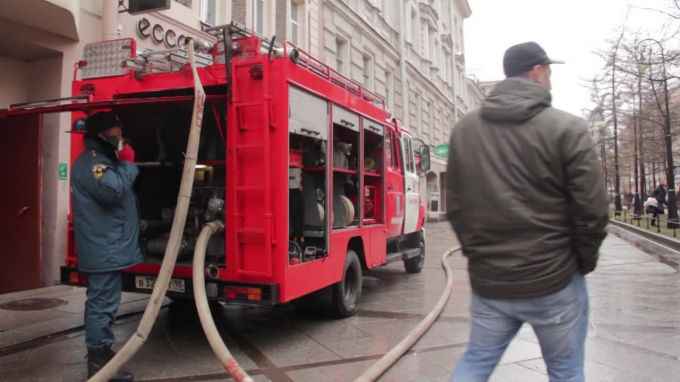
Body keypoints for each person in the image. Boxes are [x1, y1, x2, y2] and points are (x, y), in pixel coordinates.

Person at [445, 42, 609, 382]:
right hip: (555, 279)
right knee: (565, 372)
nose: (549, 80)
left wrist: (479, 256)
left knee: (474, 363)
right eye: (548, 72)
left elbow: (456, 207)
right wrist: (581, 262)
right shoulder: (567, 128)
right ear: (537, 72)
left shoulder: (464, 131)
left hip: (491, 282)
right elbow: (591, 211)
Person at [71, 111, 143, 381]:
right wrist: (127, 164)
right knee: (102, 305)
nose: (121, 139)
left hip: (107, 246)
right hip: (104, 248)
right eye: (117, 134)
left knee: (104, 304)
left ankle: (103, 358)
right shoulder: (94, 164)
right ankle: (100, 366)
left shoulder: (101, 160)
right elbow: (112, 192)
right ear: (102, 136)